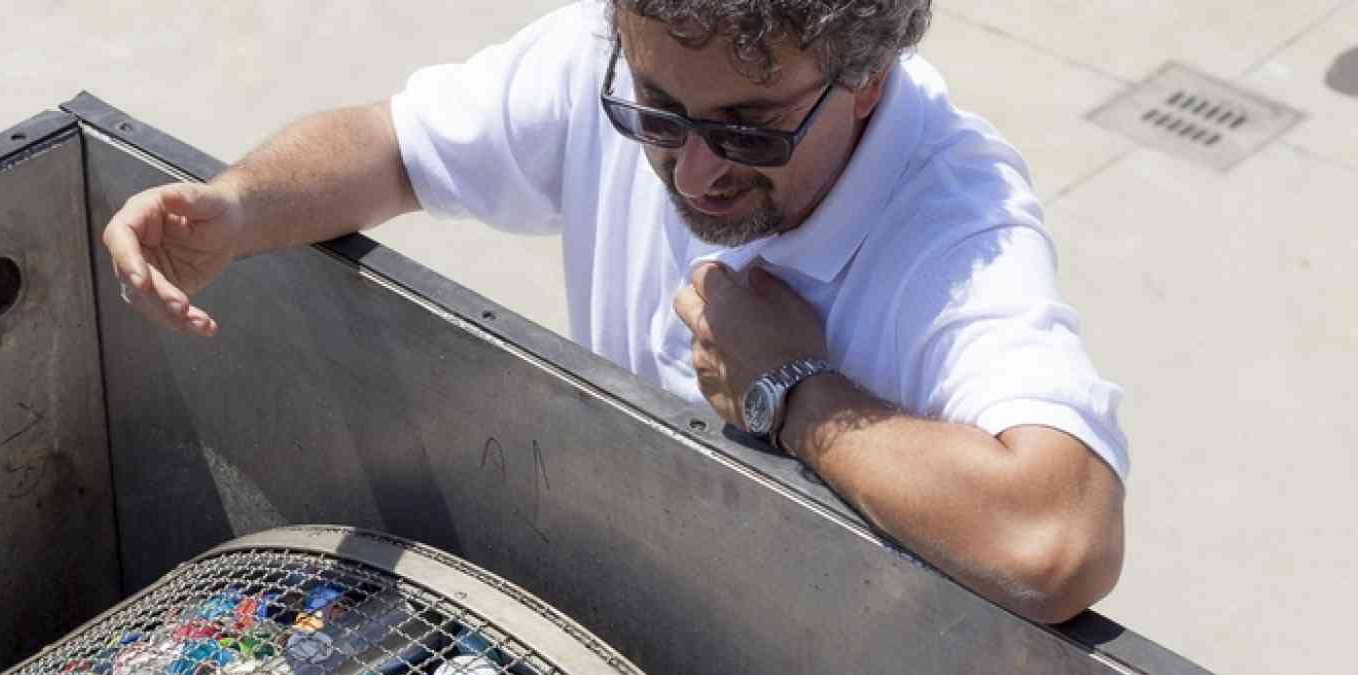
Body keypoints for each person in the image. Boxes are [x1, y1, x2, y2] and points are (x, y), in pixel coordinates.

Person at [102, 0, 1128, 625]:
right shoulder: (621, 50)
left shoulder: (957, 229)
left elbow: (1059, 541)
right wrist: (235, 209)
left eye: (752, 133)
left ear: (865, 83)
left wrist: (796, 394)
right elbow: (395, 149)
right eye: (657, 114)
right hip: (633, 600)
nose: (696, 172)